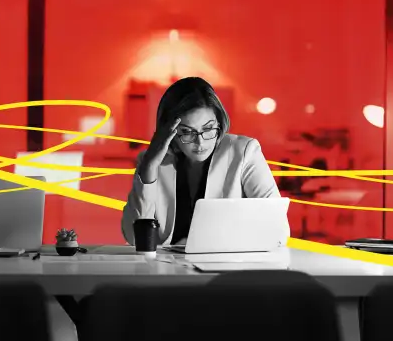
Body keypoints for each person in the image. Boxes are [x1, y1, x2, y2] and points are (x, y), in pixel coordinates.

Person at [121, 76, 285, 246]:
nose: (200, 142)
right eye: (187, 132)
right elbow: (134, 239)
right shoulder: (152, 162)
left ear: (219, 123)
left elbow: (277, 230)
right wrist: (150, 166)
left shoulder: (244, 152)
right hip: (167, 269)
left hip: (226, 266)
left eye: (208, 129)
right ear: (168, 132)